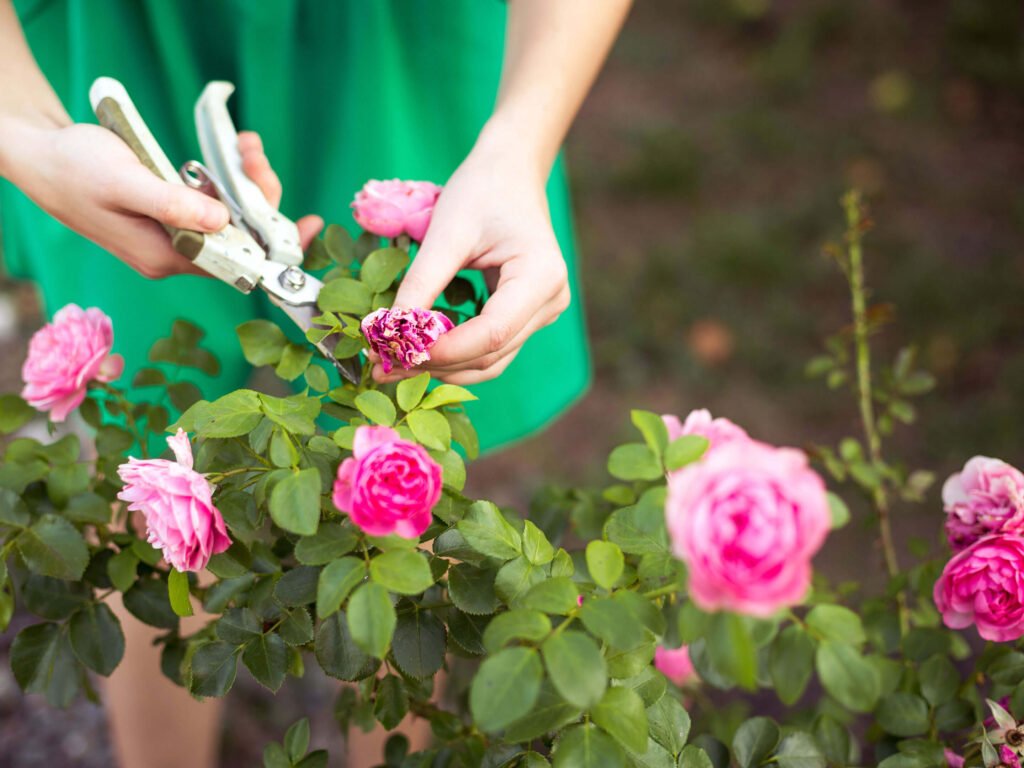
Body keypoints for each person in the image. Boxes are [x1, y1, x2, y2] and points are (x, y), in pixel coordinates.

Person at [0, 1, 632, 766]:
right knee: (151, 477)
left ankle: (386, 747)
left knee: (413, 481)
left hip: (396, 44)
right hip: (130, 27)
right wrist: (26, 133)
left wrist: (519, 144)